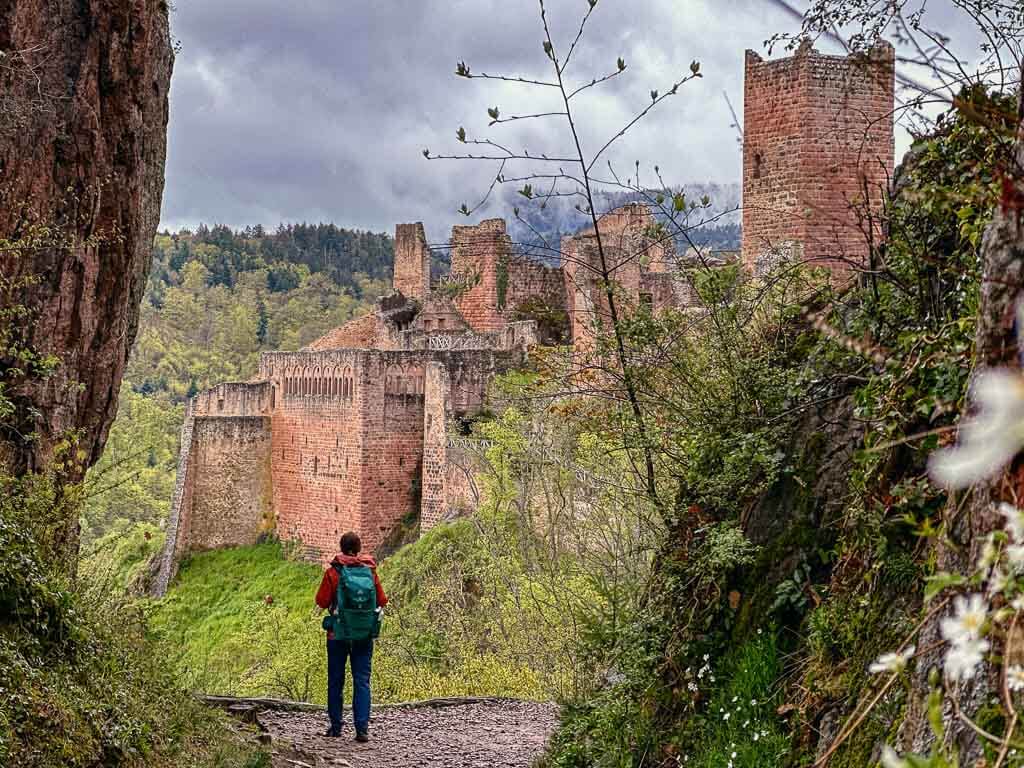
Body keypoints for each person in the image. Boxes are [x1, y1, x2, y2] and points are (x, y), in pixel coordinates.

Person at [315, 531, 388, 741]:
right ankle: (362, 729)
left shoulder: (333, 573)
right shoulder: (370, 571)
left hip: (337, 634)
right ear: (358, 549)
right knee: (362, 681)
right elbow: (382, 600)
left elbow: (321, 601)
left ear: (341, 547)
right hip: (364, 634)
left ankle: (336, 727)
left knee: (336, 680)